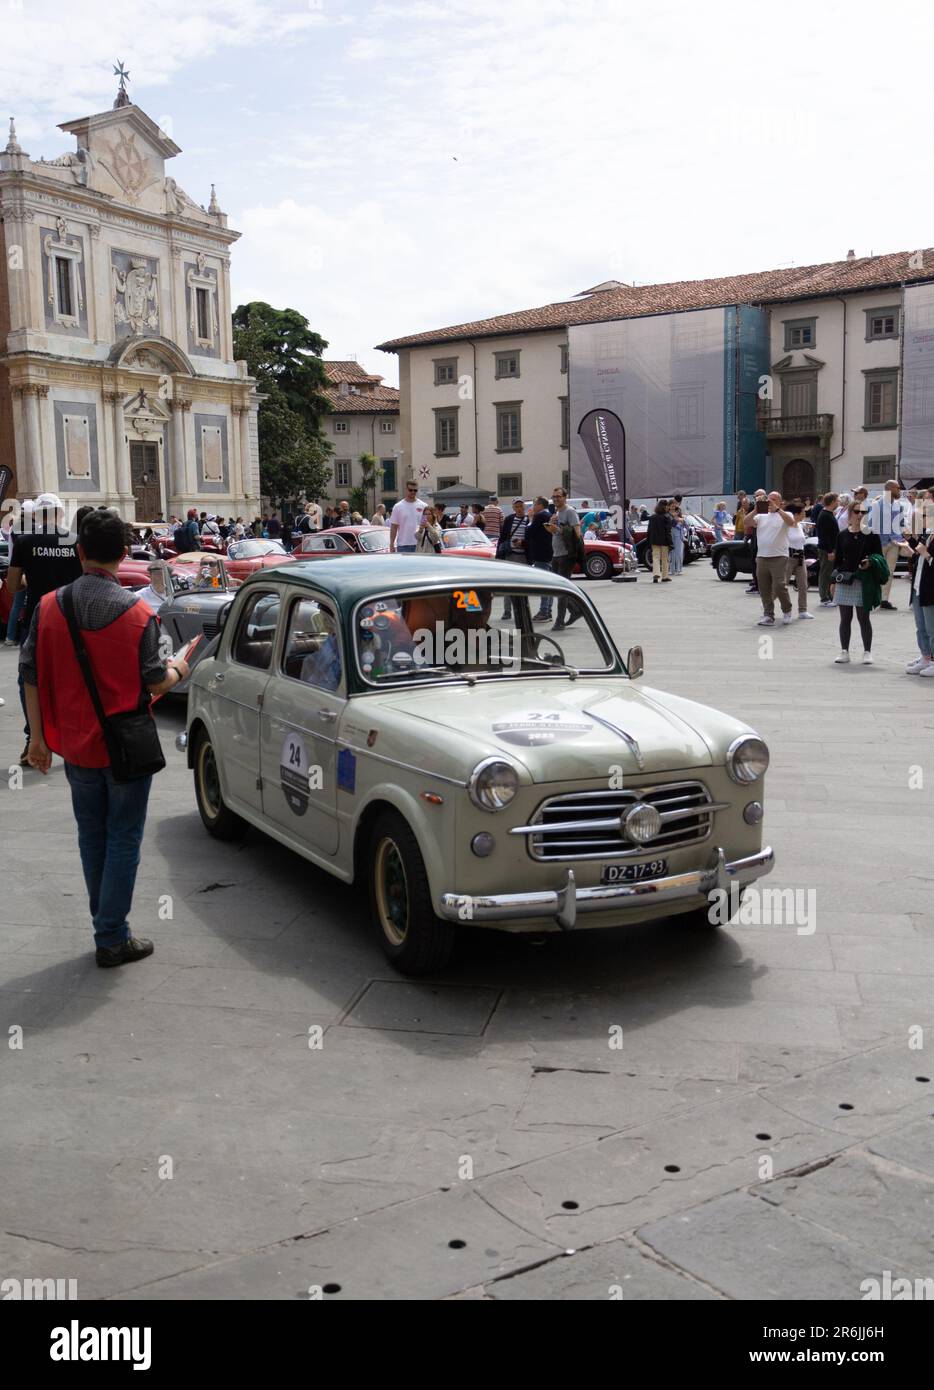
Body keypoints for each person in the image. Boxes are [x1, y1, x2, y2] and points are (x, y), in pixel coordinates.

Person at [20, 508, 189, 967]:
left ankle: (107, 924)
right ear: (123, 554)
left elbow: (29, 672)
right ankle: (111, 935)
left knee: (91, 836)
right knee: (123, 838)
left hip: (76, 745)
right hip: (125, 746)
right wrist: (181, 667)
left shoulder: (49, 605)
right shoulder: (137, 612)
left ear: (80, 553)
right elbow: (155, 681)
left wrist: (37, 739)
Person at [6, 494, 83, 764]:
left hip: (38, 620)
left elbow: (13, 586)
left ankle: (33, 740)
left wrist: (31, 579)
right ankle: (74, 740)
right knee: (73, 679)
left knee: (28, 679)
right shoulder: (74, 541)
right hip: (70, 619)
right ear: (61, 514)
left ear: (37, 515)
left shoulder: (25, 542)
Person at [830, 499, 885, 664]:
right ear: (850, 513)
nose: (860, 514)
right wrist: (833, 581)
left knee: (864, 617)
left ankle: (867, 652)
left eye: (863, 512)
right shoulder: (842, 535)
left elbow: (879, 556)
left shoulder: (871, 534)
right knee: (845, 618)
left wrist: (870, 562)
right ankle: (844, 651)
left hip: (864, 579)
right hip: (845, 580)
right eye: (856, 511)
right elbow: (838, 560)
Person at [748, 491, 794, 626]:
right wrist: (756, 510)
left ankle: (787, 609)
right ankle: (768, 615)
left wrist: (778, 510)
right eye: (769, 499)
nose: (770, 502)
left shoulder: (786, 514)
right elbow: (747, 522)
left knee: (780, 585)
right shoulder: (761, 516)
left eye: (774, 499)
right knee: (764, 587)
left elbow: (791, 522)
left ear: (780, 502)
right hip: (762, 556)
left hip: (779, 556)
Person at [865, 479, 909, 610]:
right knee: (876, 570)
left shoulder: (898, 505)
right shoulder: (877, 505)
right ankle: (874, 597)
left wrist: (904, 532)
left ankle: (884, 599)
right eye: (897, 488)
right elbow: (872, 524)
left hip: (894, 542)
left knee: (889, 571)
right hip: (880, 542)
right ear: (890, 489)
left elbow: (901, 523)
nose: (899, 490)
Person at [546, 487, 580, 628]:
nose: (555, 499)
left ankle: (559, 621)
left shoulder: (570, 511)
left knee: (561, 589)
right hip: (556, 554)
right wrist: (550, 526)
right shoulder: (555, 512)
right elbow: (554, 533)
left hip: (567, 555)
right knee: (556, 588)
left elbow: (577, 533)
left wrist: (558, 529)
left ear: (565, 497)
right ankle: (575, 610)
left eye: (558, 496)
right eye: (554, 497)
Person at [904, 518, 934, 676]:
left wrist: (926, 554)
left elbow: (928, 557)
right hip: (918, 586)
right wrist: (911, 542)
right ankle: (926, 657)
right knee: (921, 627)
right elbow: (918, 554)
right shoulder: (928, 534)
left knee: (931, 628)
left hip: (930, 589)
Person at [496, 499, 529, 619]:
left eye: (521, 506)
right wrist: (498, 556)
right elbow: (503, 537)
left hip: (524, 556)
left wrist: (523, 543)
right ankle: (507, 611)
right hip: (510, 555)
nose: (519, 508)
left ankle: (523, 610)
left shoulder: (528, 519)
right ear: (513, 508)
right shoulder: (509, 519)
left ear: (524, 507)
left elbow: (531, 539)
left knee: (524, 586)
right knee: (508, 584)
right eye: (517, 506)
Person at [526, 496, 554, 623]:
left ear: (540, 505)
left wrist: (531, 519)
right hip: (549, 553)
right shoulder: (549, 515)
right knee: (550, 583)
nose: (533, 507)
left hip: (541, 553)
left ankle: (544, 611)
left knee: (544, 584)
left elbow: (529, 531)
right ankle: (547, 610)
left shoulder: (540, 516)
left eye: (534, 504)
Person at [785, 501, 813, 619]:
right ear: (795, 514)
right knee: (782, 585)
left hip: (800, 557)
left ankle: (803, 610)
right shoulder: (785, 526)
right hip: (788, 557)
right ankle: (768, 605)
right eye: (802, 512)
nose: (804, 514)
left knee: (803, 584)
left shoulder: (800, 525)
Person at [815, 492, 839, 606]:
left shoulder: (829, 514)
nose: (838, 502)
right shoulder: (825, 515)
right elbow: (825, 536)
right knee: (825, 573)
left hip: (830, 549)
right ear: (833, 501)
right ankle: (824, 598)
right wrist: (830, 551)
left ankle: (829, 596)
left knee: (829, 573)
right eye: (837, 500)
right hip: (826, 550)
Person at [389, 481, 426, 553]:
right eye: (410, 490)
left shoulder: (424, 506)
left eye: (415, 490)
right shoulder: (397, 507)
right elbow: (394, 527)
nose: (413, 492)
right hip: (403, 545)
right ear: (406, 489)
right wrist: (391, 544)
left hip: (420, 543)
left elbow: (427, 524)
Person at [647, 499, 673, 583]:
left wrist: (649, 541)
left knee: (655, 557)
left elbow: (649, 531)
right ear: (666, 507)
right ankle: (665, 576)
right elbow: (668, 531)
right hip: (664, 541)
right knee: (665, 558)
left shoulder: (652, 517)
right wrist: (671, 543)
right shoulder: (667, 517)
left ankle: (656, 574)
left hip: (654, 540)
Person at [669, 499, 685, 575]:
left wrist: (677, 518)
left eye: (674, 505)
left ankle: (678, 569)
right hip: (669, 532)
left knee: (678, 551)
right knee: (671, 551)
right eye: (671, 505)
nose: (673, 506)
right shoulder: (667, 513)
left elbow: (682, 520)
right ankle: (672, 570)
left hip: (678, 531)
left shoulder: (678, 511)